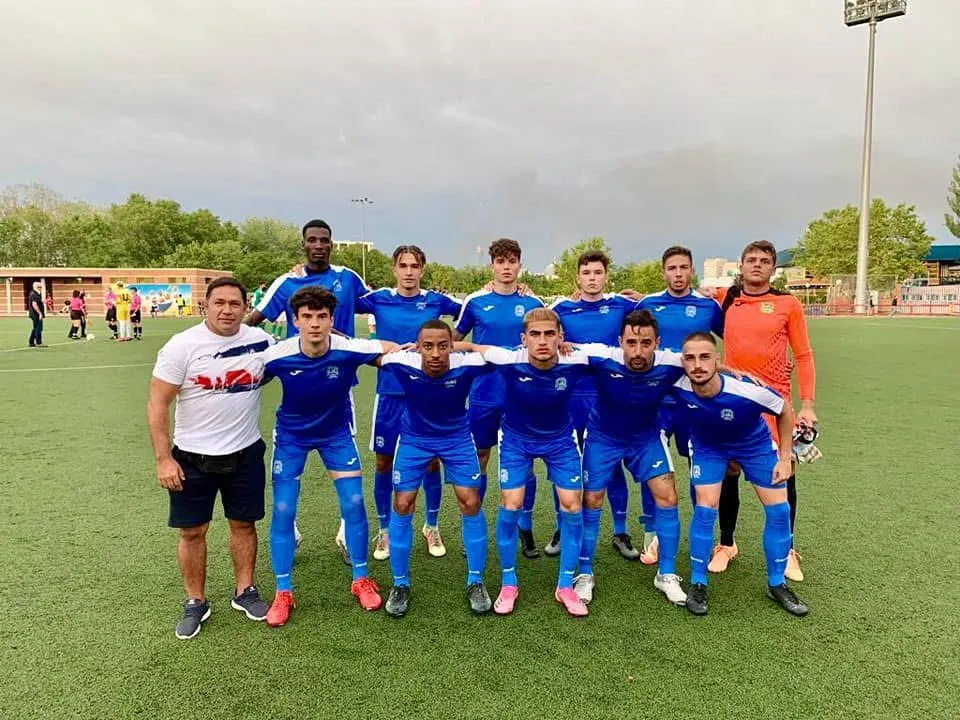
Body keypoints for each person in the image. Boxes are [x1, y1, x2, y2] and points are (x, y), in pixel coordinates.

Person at [260, 286, 397, 627]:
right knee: (283, 508)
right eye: (307, 317)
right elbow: (248, 379)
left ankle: (361, 578)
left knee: (354, 502)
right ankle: (283, 591)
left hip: (336, 435)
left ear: (331, 319)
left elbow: (389, 348)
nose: (315, 324)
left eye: (321, 316)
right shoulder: (277, 355)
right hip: (291, 437)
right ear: (295, 320)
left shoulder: (348, 349)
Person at [147, 277, 274, 640]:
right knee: (192, 531)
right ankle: (195, 601)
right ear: (205, 305)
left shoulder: (261, 341)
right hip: (191, 458)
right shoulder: (181, 346)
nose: (227, 310)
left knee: (243, 524)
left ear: (246, 307)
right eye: (219, 302)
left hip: (245, 452)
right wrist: (163, 459)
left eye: (235, 304)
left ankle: (245, 590)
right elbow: (157, 404)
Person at [246, 219, 371, 559]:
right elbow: (254, 319)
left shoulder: (347, 277)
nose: (318, 245)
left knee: (346, 467)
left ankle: (347, 533)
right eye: (312, 240)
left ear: (331, 244)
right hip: (297, 380)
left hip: (338, 382)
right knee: (288, 470)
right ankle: (291, 529)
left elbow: (379, 303)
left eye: (324, 240)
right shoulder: (287, 282)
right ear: (303, 244)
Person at [458, 308, 589, 618]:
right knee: (511, 504)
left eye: (549, 334)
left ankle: (565, 585)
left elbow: (620, 358)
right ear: (523, 339)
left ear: (560, 337)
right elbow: (471, 346)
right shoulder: (507, 358)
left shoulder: (578, 360)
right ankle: (509, 583)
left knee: (572, 506)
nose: (542, 341)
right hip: (516, 440)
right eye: (535, 334)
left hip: (560, 440)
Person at [672, 332, 808, 617]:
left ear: (717, 360)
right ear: (682, 362)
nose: (697, 365)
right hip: (708, 447)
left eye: (705, 357)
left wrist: (785, 458)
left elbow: (784, 409)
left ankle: (777, 583)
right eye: (690, 358)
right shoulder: (677, 382)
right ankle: (698, 582)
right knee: (705, 508)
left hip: (753, 445)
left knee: (779, 511)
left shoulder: (747, 390)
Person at [711, 240, 816, 582]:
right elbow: (684, 305)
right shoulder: (725, 299)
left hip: (776, 404)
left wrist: (808, 405)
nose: (757, 265)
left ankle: (788, 550)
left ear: (773, 268)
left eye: (764, 260)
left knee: (785, 472)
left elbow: (803, 355)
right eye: (751, 259)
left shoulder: (788, 304)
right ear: (741, 265)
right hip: (735, 400)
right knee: (729, 470)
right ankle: (726, 544)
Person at [378, 320, 494, 616]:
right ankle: (400, 584)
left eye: (443, 346)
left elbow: (506, 355)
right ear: (417, 347)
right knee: (402, 504)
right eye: (427, 346)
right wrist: (392, 347)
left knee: (470, 502)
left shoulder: (467, 364)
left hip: (457, 439)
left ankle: (476, 580)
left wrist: (472, 345)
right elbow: (360, 352)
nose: (435, 353)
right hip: (414, 440)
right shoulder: (401, 362)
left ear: (452, 347)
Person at [573, 310, 688, 607]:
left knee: (668, 497)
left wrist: (734, 372)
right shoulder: (601, 356)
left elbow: (707, 364)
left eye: (646, 343)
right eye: (631, 343)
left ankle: (666, 574)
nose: (638, 351)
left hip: (645, 438)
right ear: (620, 341)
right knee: (592, 499)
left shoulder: (672, 361)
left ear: (657, 342)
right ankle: (584, 573)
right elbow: (561, 352)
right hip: (602, 437)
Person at [355, 245, 462, 561]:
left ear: (422, 270)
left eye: (415, 266)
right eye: (403, 265)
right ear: (394, 269)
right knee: (384, 462)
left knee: (431, 461)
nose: (409, 272)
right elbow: (338, 304)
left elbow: (472, 310)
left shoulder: (437, 301)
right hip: (389, 393)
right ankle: (385, 530)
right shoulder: (378, 299)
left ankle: (431, 525)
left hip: (427, 394)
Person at [635, 246, 725, 565]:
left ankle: (702, 535)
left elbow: (732, 338)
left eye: (683, 267)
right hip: (657, 400)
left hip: (695, 401)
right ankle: (653, 534)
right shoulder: (648, 304)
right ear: (664, 272)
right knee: (653, 464)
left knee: (699, 466)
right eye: (672, 268)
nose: (677, 273)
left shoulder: (707, 305)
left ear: (692, 270)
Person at [454, 238, 544, 557]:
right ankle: (475, 527)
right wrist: (477, 352)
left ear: (520, 264)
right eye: (501, 261)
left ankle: (525, 528)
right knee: (480, 458)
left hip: (523, 396)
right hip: (484, 395)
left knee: (526, 461)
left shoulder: (534, 303)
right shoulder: (476, 301)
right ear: (492, 265)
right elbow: (454, 341)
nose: (506, 267)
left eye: (512, 261)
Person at [550, 249, 641, 560]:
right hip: (570, 396)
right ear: (577, 277)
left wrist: (644, 297)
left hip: (609, 395)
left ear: (606, 276)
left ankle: (620, 530)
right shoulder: (561, 308)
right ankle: (562, 528)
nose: (592, 278)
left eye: (597, 273)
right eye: (586, 273)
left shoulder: (622, 305)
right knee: (565, 463)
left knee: (611, 463)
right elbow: (539, 327)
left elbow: (657, 310)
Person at [28, 281, 46, 348]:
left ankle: (31, 342)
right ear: (36, 287)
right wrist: (40, 313)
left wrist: (42, 302)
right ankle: (38, 342)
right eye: (39, 287)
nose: (41, 288)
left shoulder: (36, 294)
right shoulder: (34, 294)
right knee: (39, 328)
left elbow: (37, 302)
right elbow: (34, 304)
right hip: (36, 314)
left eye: (41, 287)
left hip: (35, 314)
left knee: (35, 328)